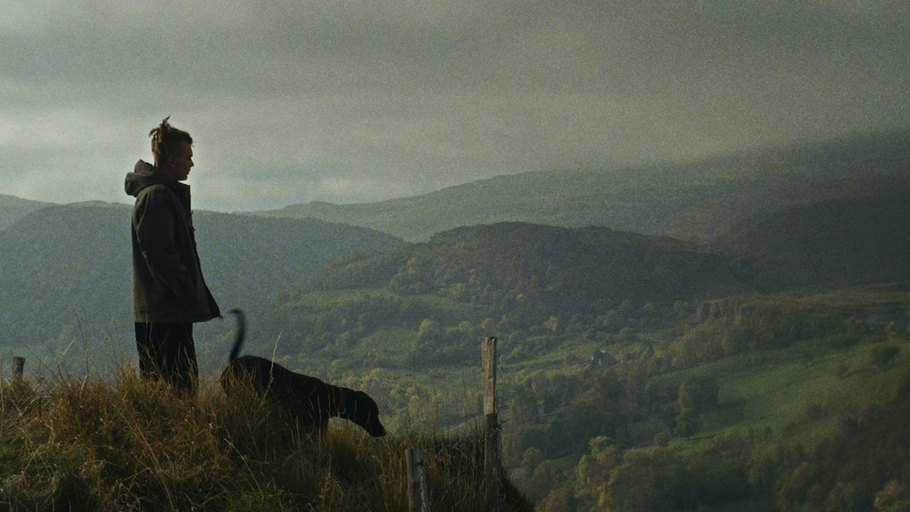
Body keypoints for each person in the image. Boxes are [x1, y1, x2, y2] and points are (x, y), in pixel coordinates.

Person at [124, 117, 220, 396]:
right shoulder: (156, 197)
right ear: (170, 161)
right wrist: (185, 290)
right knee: (174, 393)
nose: (192, 164)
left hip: (167, 311)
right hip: (164, 313)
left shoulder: (163, 195)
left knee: (175, 391)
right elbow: (160, 256)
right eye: (187, 157)